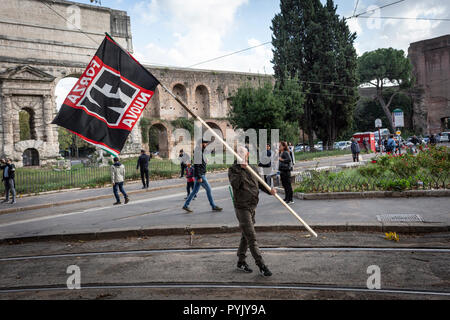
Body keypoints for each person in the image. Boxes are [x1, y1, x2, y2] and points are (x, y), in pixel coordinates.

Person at [229, 146, 276, 277]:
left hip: (252, 206)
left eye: (242, 153)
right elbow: (236, 185)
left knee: (246, 235)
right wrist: (241, 169)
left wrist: (270, 191)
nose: (240, 155)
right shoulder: (233, 170)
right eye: (237, 153)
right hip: (242, 208)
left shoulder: (253, 168)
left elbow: (261, 184)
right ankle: (261, 265)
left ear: (247, 155)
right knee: (251, 237)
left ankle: (241, 261)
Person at [182, 139, 223, 213]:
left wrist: (205, 161)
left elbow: (200, 163)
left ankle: (185, 205)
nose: (206, 144)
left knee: (194, 191)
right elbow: (197, 166)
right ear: (201, 144)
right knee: (209, 189)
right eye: (205, 143)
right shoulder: (198, 152)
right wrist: (200, 177)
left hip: (199, 174)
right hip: (200, 175)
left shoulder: (200, 151)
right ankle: (213, 206)